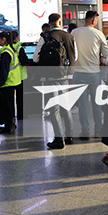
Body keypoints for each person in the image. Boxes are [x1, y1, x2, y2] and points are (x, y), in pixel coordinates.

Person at [33, 13, 77, 149]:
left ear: (49, 22)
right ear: (60, 21)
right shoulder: (69, 36)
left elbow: (35, 58)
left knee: (54, 109)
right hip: (65, 76)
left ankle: (59, 139)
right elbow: (76, 55)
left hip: (49, 77)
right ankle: (69, 136)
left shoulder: (45, 37)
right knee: (66, 106)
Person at [71, 10, 108, 140]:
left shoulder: (74, 33)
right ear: (93, 20)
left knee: (82, 104)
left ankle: (85, 132)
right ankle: (98, 130)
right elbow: (106, 54)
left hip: (79, 73)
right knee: (96, 103)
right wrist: (101, 64)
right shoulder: (98, 34)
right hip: (94, 73)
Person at [0, 32, 22, 135]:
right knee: (7, 105)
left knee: (0, 104)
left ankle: (8, 125)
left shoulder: (6, 52)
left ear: (4, 39)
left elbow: (3, 70)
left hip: (7, 82)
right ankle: (9, 124)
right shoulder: (10, 50)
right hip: (11, 81)